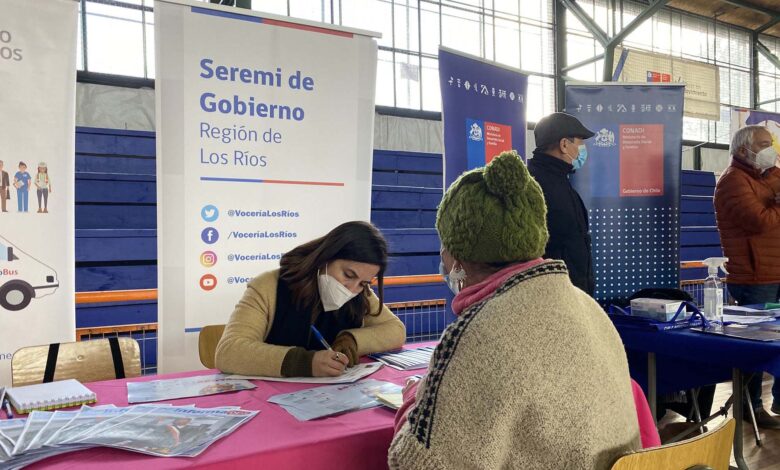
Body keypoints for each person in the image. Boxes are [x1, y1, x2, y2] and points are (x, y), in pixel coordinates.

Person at [389, 151, 640, 469]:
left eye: (444, 244)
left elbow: (415, 462)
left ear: (457, 257)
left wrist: (415, 401)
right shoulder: (588, 308)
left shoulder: (479, 332)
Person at [215, 221, 406, 378]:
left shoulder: (361, 294)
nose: (351, 289)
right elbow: (228, 351)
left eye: (363, 283)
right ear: (325, 258)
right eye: (348, 275)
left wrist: (352, 339)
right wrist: (304, 362)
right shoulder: (269, 285)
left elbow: (396, 330)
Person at [714, 124, 780, 428]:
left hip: (775, 271)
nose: (771, 149)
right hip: (754, 277)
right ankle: (749, 407)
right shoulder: (732, 181)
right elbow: (759, 221)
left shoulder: (768, 176)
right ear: (743, 150)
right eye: (764, 144)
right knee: (755, 346)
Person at [528, 112, 596, 295]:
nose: (582, 150)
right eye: (580, 143)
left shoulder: (559, 178)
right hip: (554, 294)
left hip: (573, 294)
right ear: (564, 144)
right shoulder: (533, 185)